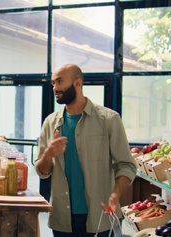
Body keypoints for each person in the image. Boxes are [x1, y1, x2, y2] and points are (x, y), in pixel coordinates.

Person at [35, 64, 136, 237]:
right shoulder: (50, 123)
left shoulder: (109, 120)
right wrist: (48, 154)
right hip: (62, 218)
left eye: (59, 82)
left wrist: (115, 195)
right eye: (53, 83)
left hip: (100, 216)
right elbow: (42, 172)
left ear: (78, 83)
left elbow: (127, 165)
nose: (55, 88)